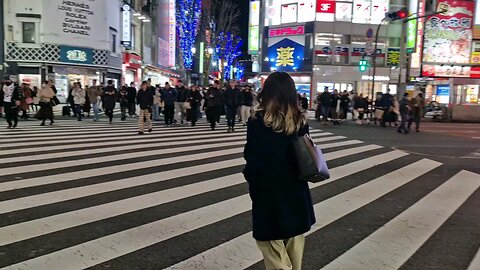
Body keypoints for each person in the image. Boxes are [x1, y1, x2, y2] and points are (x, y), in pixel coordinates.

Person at [243, 72, 315, 270]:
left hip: (269, 189)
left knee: (269, 241)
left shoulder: (258, 120)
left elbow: (253, 156)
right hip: (296, 188)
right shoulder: (300, 120)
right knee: (294, 242)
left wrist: (252, 180)